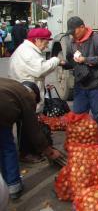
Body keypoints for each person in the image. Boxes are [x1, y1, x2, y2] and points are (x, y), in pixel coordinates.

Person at [9, 28, 63, 163]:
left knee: (28, 124)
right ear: (37, 40)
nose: (47, 45)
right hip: (25, 94)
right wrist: (56, 60)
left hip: (26, 91)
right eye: (46, 42)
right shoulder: (27, 52)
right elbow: (40, 69)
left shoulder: (28, 50)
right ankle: (26, 153)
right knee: (27, 125)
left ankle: (32, 150)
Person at [0, 78, 61, 199]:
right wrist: (49, 151)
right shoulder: (26, 97)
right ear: (33, 94)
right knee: (7, 148)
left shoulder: (12, 85)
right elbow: (33, 130)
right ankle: (13, 186)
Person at [63, 16, 98, 136]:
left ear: (82, 27)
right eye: (71, 33)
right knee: (78, 114)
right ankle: (82, 137)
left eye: (74, 32)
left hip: (97, 83)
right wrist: (64, 64)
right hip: (80, 83)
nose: (73, 35)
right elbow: (70, 59)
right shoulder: (72, 42)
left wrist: (85, 59)